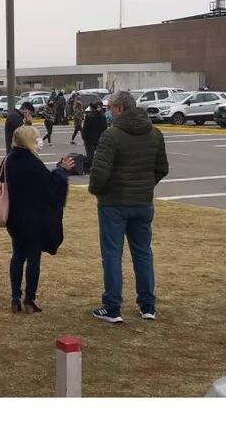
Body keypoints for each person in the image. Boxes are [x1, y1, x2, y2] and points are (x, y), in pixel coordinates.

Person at [88, 91, 168, 323]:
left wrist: (97, 190)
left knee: (112, 254)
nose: (109, 111)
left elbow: (100, 172)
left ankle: (112, 306)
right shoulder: (154, 133)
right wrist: (145, 185)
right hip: (142, 202)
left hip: (114, 203)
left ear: (120, 109)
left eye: (111, 107)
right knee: (143, 253)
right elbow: (161, 168)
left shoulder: (111, 135)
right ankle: (147, 305)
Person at [4, 124, 72, 314]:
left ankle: (15, 297)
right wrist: (61, 170)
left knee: (17, 255)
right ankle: (29, 299)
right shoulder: (34, 164)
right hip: (34, 219)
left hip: (15, 217)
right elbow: (51, 189)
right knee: (33, 258)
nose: (39, 141)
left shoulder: (9, 160)